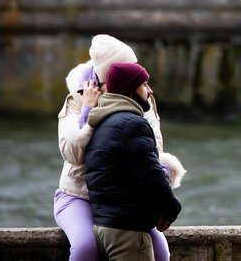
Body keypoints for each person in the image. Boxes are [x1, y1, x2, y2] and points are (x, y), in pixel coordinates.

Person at [54, 34, 185, 261]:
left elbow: (153, 152)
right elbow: (73, 155)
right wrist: (88, 111)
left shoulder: (142, 100)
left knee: (161, 251)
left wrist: (161, 182)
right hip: (78, 196)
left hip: (123, 202)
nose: (131, 70)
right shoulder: (78, 97)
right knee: (86, 248)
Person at [85, 62, 182, 260]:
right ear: (130, 88)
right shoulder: (132, 124)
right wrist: (172, 208)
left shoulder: (103, 122)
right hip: (127, 232)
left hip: (103, 227)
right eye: (144, 84)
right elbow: (150, 176)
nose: (150, 90)